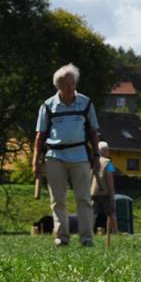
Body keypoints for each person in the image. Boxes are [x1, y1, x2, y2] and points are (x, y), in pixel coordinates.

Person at [32, 63, 100, 247]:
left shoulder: (86, 103)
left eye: (73, 83)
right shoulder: (47, 106)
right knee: (58, 200)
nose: (71, 87)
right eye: (66, 84)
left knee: (84, 199)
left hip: (80, 156)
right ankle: (62, 237)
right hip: (55, 156)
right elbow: (40, 135)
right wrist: (35, 160)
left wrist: (96, 156)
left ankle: (86, 238)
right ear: (58, 86)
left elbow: (94, 132)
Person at [91, 141, 117, 233]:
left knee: (93, 213)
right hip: (105, 192)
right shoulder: (108, 163)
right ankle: (115, 231)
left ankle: (90, 231)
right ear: (105, 151)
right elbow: (109, 178)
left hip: (94, 191)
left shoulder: (93, 162)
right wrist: (112, 192)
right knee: (111, 213)